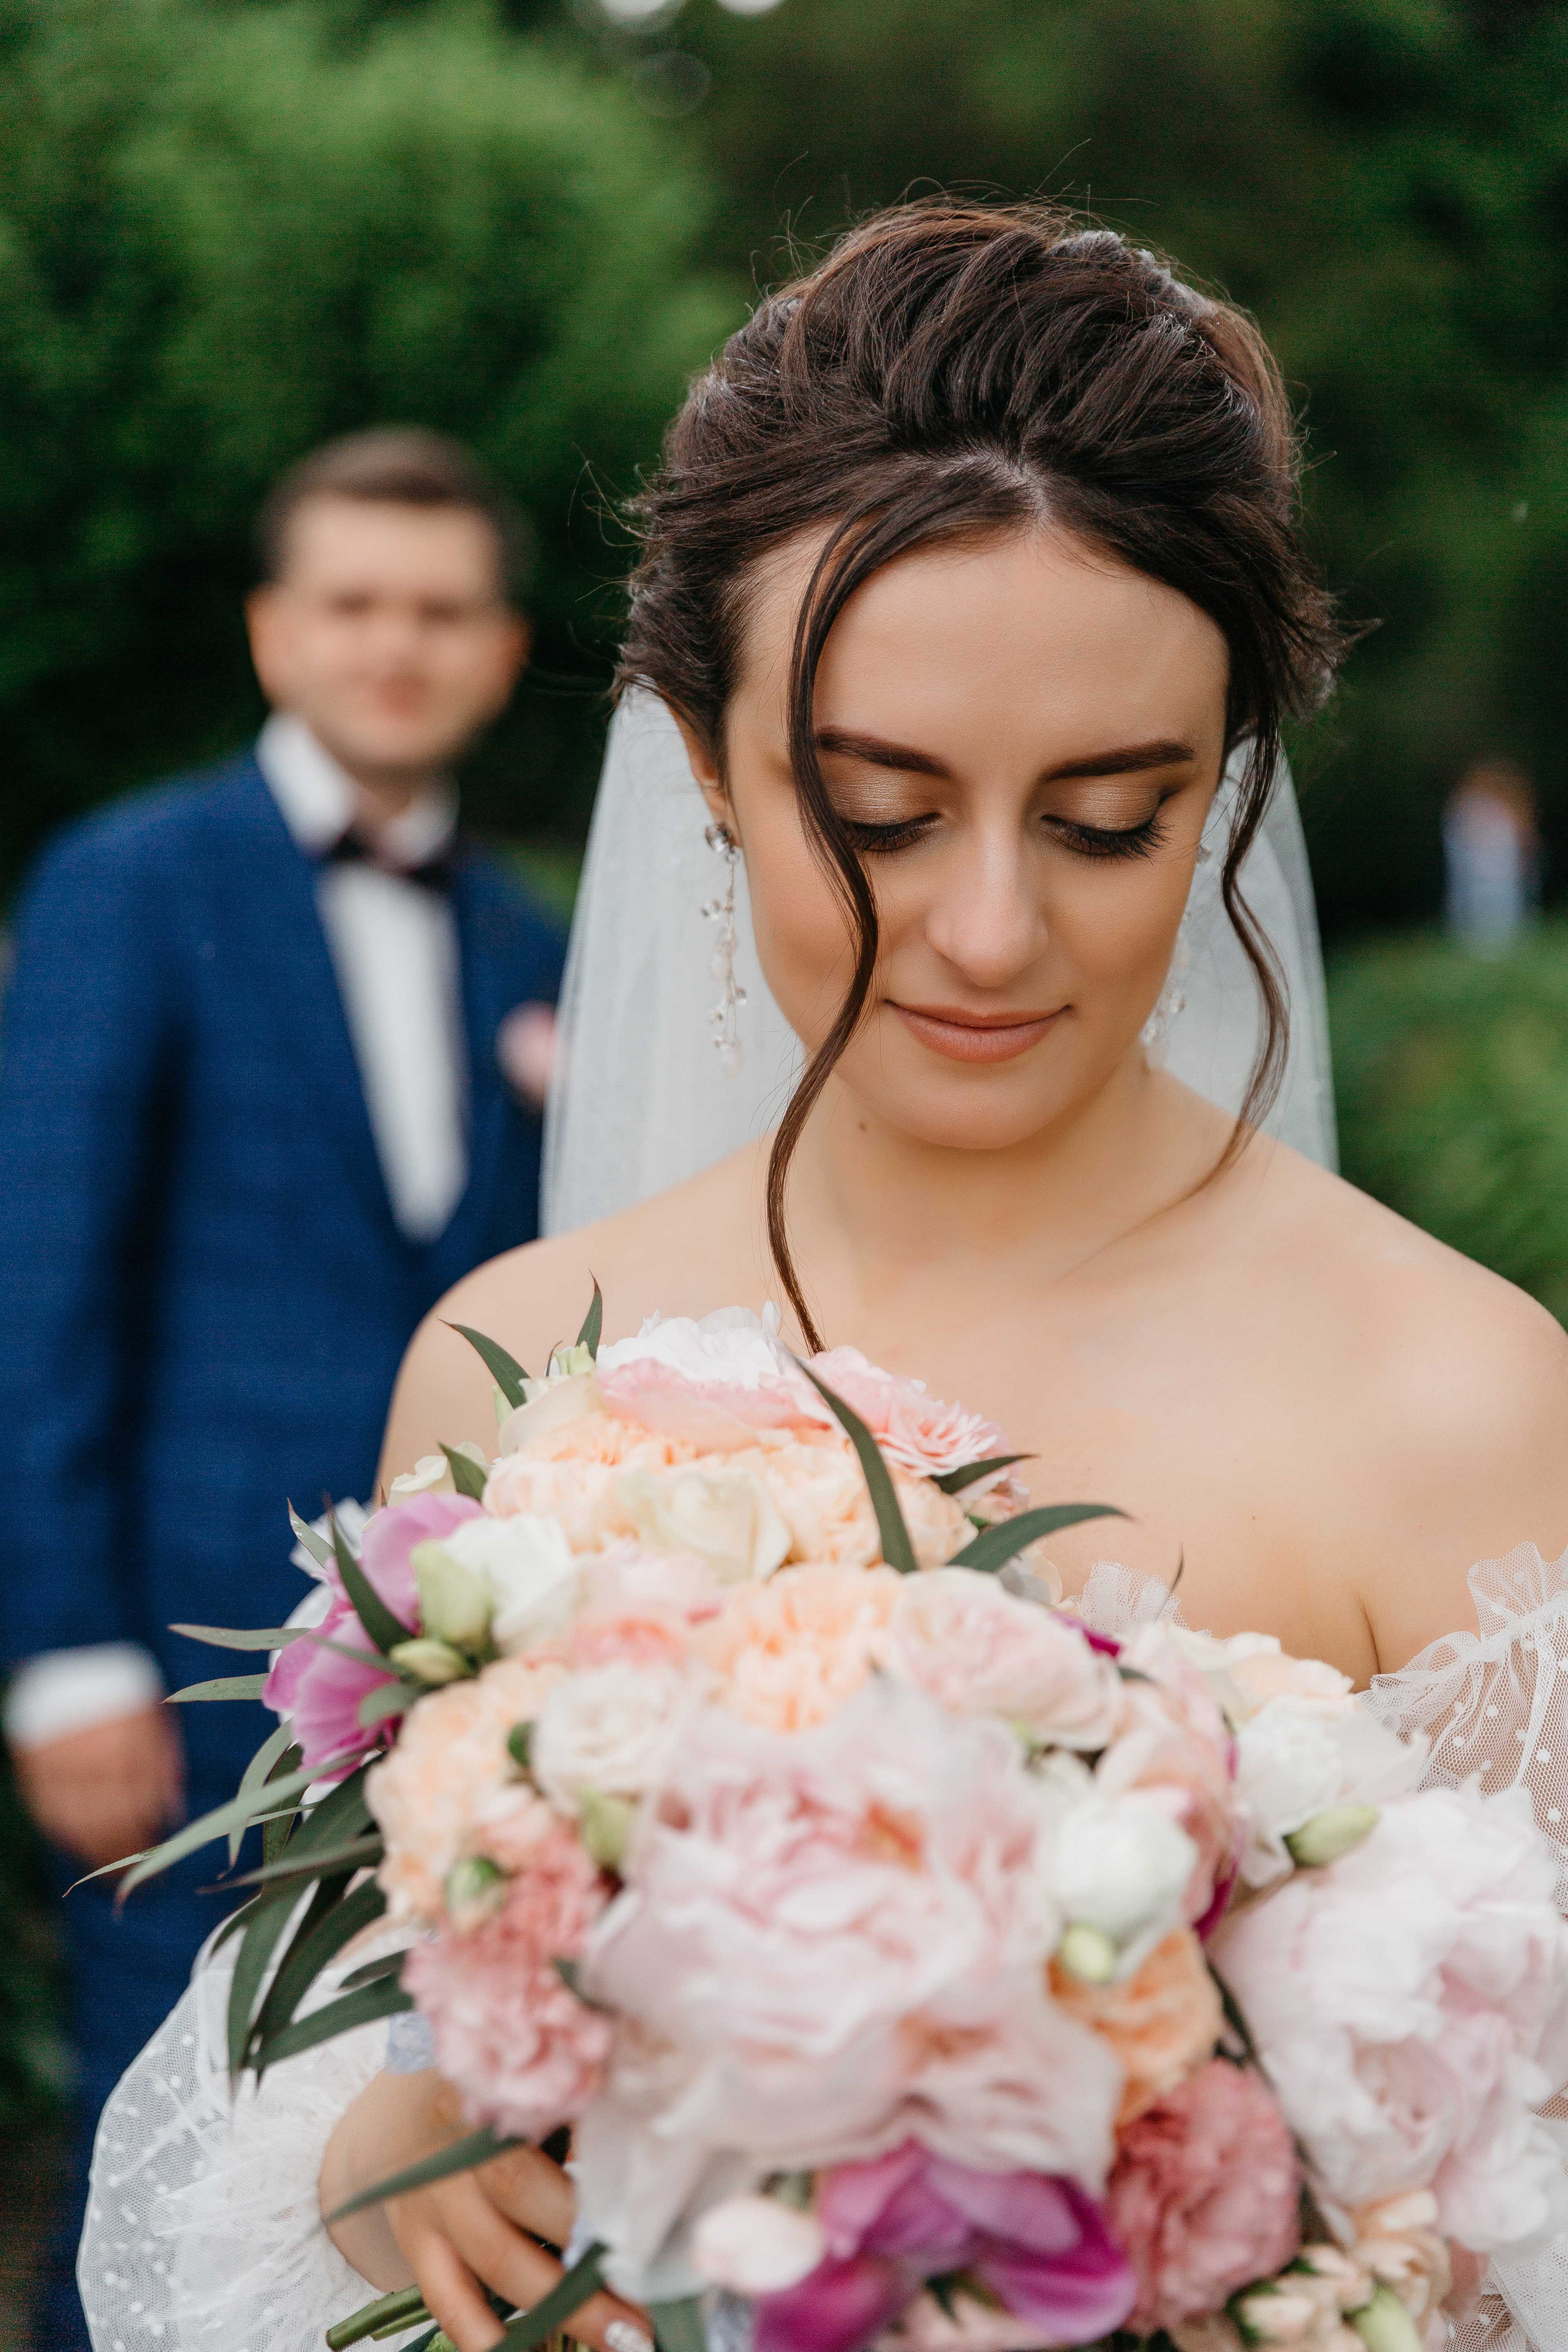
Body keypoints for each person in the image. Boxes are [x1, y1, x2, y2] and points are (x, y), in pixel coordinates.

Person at [82, 207, 1568, 2352]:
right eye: (876, 807)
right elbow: (368, 2034)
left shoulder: (1458, 1400)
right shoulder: (509, 1364)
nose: (984, 932)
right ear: (702, 763)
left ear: (1229, 775)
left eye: (1109, 819)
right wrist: (378, 2161)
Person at [0, 427, 566, 2349]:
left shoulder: (538, 945)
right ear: (272, 631)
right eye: (351, 601)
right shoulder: (127, 879)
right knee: (159, 2163)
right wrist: (63, 1653)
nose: (393, 644)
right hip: (177, 1688)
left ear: (497, 651)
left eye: (439, 608)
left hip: (455, 1708)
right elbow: (40, 1276)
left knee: (397, 2176)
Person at [1443, 756, 1540, 954]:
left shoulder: (1498, 806)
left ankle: (1500, 947)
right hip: (1481, 872)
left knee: (1501, 908)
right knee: (1477, 907)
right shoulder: (1470, 806)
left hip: (1499, 872)